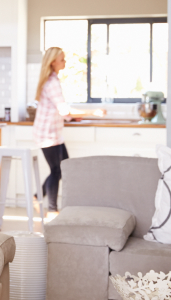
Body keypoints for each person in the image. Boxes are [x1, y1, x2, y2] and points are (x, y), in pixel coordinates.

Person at [33, 47, 104, 215]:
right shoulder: (51, 82)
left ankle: (37, 197)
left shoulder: (53, 79)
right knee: (56, 169)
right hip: (47, 133)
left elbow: (59, 110)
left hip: (54, 132)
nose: (65, 62)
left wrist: (71, 117)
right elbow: (64, 110)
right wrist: (92, 112)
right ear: (53, 62)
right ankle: (52, 210)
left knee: (64, 168)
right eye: (63, 59)